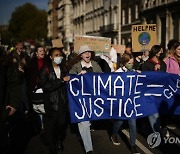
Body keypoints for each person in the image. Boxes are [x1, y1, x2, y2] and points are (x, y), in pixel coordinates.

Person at [69, 45, 102, 154]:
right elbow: (70, 81)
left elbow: (104, 79)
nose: (88, 54)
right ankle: (89, 149)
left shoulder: (96, 65)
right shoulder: (76, 67)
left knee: (89, 121)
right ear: (81, 55)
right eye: (85, 52)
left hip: (93, 99)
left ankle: (82, 134)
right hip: (81, 100)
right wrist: (78, 76)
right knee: (84, 123)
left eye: (89, 52)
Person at [39, 47, 69, 154]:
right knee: (51, 126)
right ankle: (52, 146)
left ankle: (59, 140)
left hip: (62, 101)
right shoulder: (45, 69)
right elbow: (45, 86)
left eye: (60, 55)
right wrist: (61, 81)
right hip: (51, 102)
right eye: (56, 55)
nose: (58, 57)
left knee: (61, 124)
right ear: (51, 57)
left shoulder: (64, 68)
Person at [111, 53, 139, 154]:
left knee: (133, 123)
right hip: (121, 102)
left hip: (131, 103)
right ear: (124, 63)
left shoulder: (134, 72)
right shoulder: (117, 73)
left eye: (132, 63)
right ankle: (114, 134)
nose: (131, 65)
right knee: (120, 121)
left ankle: (133, 145)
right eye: (129, 63)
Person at [142, 45, 167, 134]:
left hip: (161, 93)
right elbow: (145, 78)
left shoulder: (163, 64)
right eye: (160, 51)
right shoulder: (146, 64)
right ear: (155, 51)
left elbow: (164, 77)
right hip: (151, 93)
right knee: (154, 114)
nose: (161, 52)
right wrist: (154, 70)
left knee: (161, 114)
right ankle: (157, 135)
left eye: (162, 51)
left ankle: (154, 128)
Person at [28, 46, 48, 130]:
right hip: (35, 87)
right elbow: (30, 75)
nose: (42, 52)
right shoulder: (32, 62)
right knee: (37, 106)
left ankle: (46, 123)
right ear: (36, 53)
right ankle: (41, 123)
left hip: (45, 86)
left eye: (43, 50)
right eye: (40, 51)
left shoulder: (47, 61)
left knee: (45, 106)